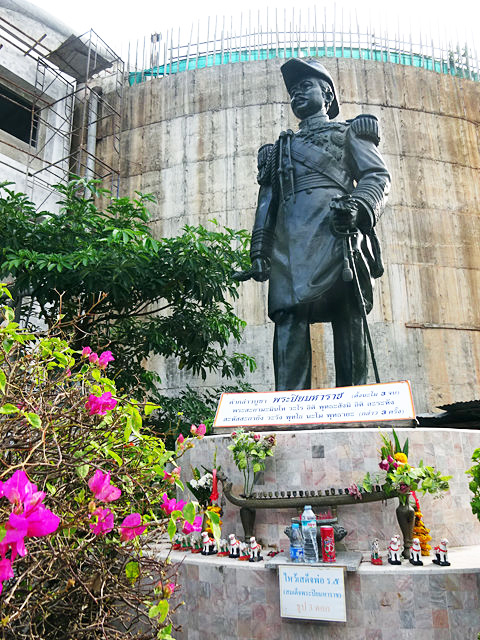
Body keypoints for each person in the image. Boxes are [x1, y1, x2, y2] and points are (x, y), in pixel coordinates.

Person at [241, 58, 390, 391]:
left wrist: (358, 207)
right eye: (293, 90)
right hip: (289, 249)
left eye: (305, 86)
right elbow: (267, 202)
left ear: (327, 95)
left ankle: (354, 400)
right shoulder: (281, 148)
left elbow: (377, 176)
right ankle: (288, 405)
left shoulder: (349, 133)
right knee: (288, 317)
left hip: (337, 235)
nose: (297, 93)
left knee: (348, 315)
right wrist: (260, 251)